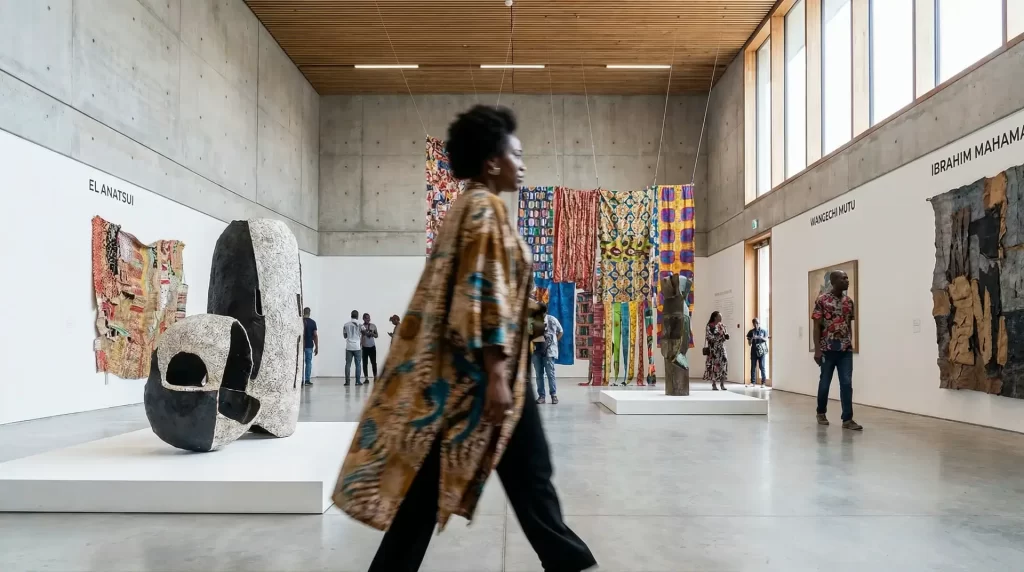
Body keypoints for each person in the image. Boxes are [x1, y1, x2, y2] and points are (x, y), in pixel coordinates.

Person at [333, 105, 596, 572]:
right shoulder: (484, 208)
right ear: (492, 162)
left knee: (512, 483)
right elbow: (482, 289)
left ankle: (571, 562)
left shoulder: (466, 207)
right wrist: (496, 374)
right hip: (481, 382)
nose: (523, 162)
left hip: (470, 381)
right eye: (517, 153)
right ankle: (574, 564)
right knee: (523, 482)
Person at [812, 270, 863, 430]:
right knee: (825, 383)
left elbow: (849, 325)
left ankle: (847, 419)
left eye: (848, 278)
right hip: (827, 349)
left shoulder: (849, 302)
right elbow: (816, 327)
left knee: (847, 384)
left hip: (845, 351)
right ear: (834, 281)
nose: (847, 281)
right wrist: (818, 350)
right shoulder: (822, 300)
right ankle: (821, 412)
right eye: (844, 278)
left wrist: (850, 343)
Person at [530, 303, 563, 405]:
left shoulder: (552, 319)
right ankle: (541, 396)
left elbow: (560, 331)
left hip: (549, 351)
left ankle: (553, 395)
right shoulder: (532, 320)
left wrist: (554, 342)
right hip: (536, 351)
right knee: (539, 375)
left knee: (550, 374)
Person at [705, 311, 730, 391]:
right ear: (715, 317)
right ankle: (714, 384)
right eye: (719, 316)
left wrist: (726, 336)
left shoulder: (722, 326)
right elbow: (709, 337)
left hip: (722, 349)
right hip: (714, 350)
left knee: (724, 364)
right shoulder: (709, 326)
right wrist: (719, 337)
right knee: (714, 366)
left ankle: (722, 384)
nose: (721, 318)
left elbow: (725, 335)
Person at [746, 318, 768, 387]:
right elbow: (749, 344)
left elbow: (766, 339)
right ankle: (753, 382)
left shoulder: (763, 331)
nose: (756, 325)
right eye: (755, 323)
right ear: (753, 324)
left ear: (759, 323)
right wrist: (752, 338)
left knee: (762, 367)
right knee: (753, 367)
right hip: (754, 352)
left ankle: (763, 382)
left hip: (761, 352)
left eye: (757, 323)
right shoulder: (751, 332)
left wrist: (761, 337)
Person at [342, 310, 362, 386]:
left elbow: (345, 336)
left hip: (349, 346)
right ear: (357, 316)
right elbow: (364, 332)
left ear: (351, 315)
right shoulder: (360, 324)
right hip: (357, 346)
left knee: (348, 364)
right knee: (358, 364)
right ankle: (357, 381)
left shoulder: (346, 325)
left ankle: (347, 381)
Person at [301, 307, 318, 386]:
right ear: (309, 313)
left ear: (303, 312)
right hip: (309, 345)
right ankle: (307, 380)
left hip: (300, 345)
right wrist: (317, 346)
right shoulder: (312, 322)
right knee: (308, 363)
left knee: (300, 363)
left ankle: (300, 380)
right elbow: (315, 335)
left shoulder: (300, 321)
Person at [360, 313, 379, 381]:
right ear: (363, 319)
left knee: (373, 362)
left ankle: (375, 377)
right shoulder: (361, 326)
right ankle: (366, 378)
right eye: (366, 318)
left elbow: (377, 335)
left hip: (372, 347)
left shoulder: (373, 326)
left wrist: (372, 334)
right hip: (364, 347)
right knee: (365, 363)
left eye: (369, 318)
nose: (368, 319)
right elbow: (359, 336)